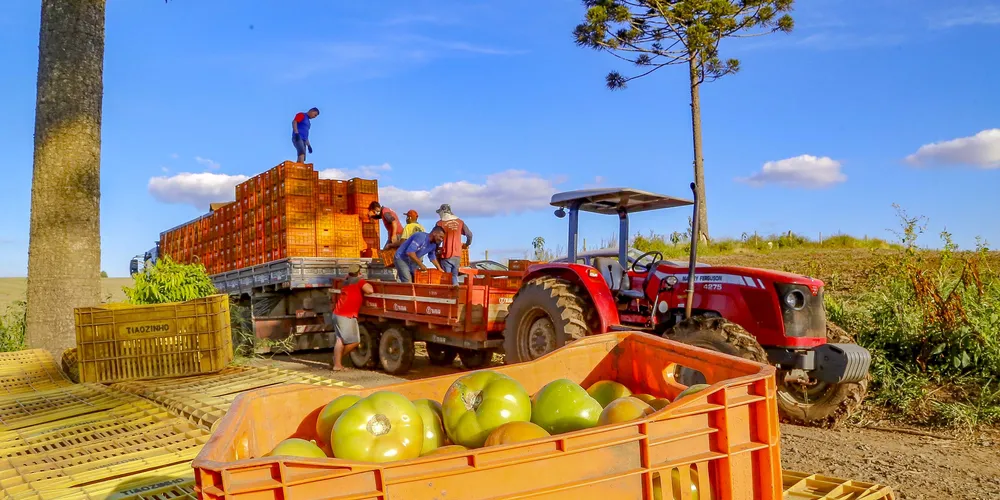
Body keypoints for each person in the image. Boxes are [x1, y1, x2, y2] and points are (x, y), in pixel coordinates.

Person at [329, 263, 374, 371]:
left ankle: (337, 364)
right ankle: (336, 361)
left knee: (340, 340)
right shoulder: (359, 281)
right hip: (346, 315)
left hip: (338, 313)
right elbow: (370, 290)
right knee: (355, 341)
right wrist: (362, 280)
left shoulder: (346, 281)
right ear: (359, 272)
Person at [434, 204, 473, 286]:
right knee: (454, 276)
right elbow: (469, 235)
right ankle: (456, 293)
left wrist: (435, 249)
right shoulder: (460, 222)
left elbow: (435, 238)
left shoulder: (440, 223)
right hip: (457, 255)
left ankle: (450, 296)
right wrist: (466, 244)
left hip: (446, 254)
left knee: (447, 278)